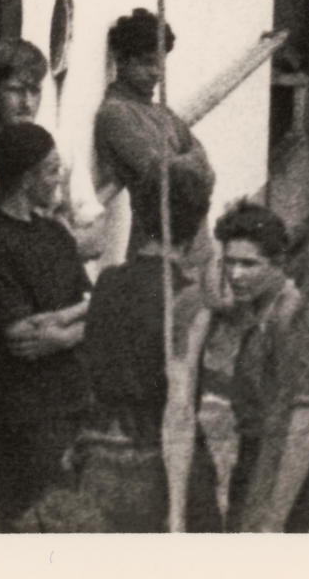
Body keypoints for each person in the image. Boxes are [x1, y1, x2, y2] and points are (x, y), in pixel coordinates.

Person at [76, 152, 224, 532]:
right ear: (198, 222)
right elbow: (178, 410)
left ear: (141, 216)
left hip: (102, 458)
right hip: (156, 463)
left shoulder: (108, 282)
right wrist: (177, 514)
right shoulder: (187, 300)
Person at [0, 123, 93, 527]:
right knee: (30, 519)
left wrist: (62, 333)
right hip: (26, 413)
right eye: (53, 170)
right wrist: (77, 323)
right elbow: (19, 334)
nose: (59, 179)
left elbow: (95, 305)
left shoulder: (55, 233)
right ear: (27, 179)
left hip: (74, 398)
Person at [215, 202, 309, 531]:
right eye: (229, 262)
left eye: (249, 264)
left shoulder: (290, 320)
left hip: (290, 483)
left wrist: (273, 520)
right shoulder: (262, 310)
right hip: (259, 465)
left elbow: (303, 428)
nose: (235, 275)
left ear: (278, 264)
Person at [0, 38, 109, 261]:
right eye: (16, 91)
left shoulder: (59, 144)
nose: (27, 103)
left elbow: (95, 232)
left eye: (34, 91)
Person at [91, 10, 206, 251]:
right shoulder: (116, 113)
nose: (156, 72)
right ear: (121, 60)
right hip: (154, 245)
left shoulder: (161, 111)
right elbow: (167, 176)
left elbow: (204, 166)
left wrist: (187, 166)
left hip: (190, 240)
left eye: (160, 63)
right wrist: (188, 162)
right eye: (146, 62)